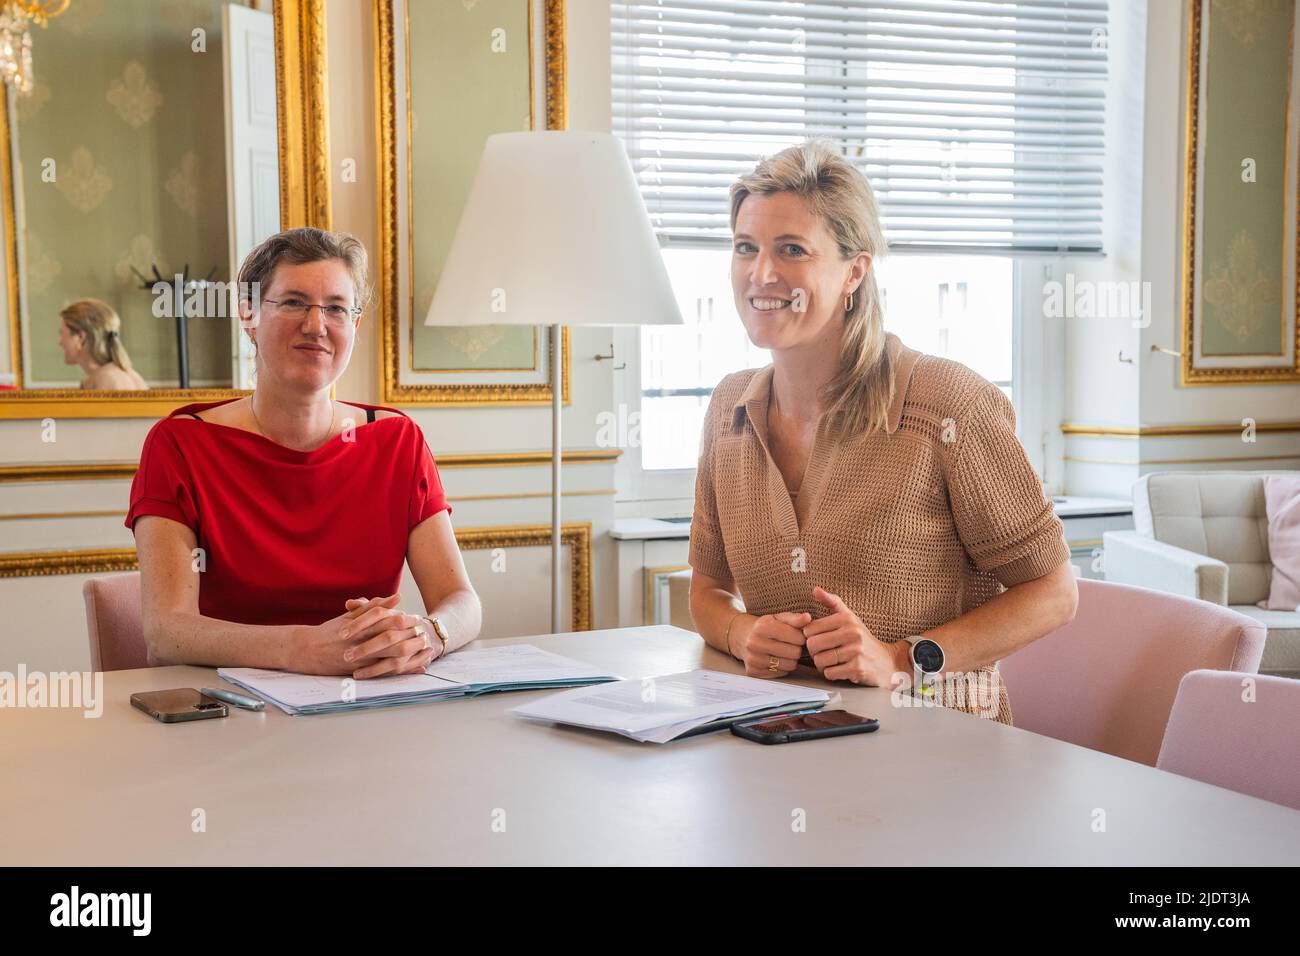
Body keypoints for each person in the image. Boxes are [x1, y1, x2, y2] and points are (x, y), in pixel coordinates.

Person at [688, 141, 1077, 724]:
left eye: (792, 250)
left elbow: (1054, 595)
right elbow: (707, 590)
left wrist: (901, 659)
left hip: (942, 755)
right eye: (746, 248)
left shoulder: (945, 405)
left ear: (855, 269)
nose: (761, 274)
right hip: (790, 745)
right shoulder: (729, 410)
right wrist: (742, 634)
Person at [127, 227, 481, 678]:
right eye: (293, 302)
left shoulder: (397, 441)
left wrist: (428, 635)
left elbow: (462, 602)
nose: (316, 326)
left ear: (353, 325)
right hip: (231, 711)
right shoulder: (180, 444)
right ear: (249, 315)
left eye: (335, 308)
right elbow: (166, 633)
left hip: (371, 703)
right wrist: (303, 647)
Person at [58, 298, 149, 390]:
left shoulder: (102, 380)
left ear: (81, 337)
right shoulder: (131, 375)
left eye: (62, 334)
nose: (60, 343)